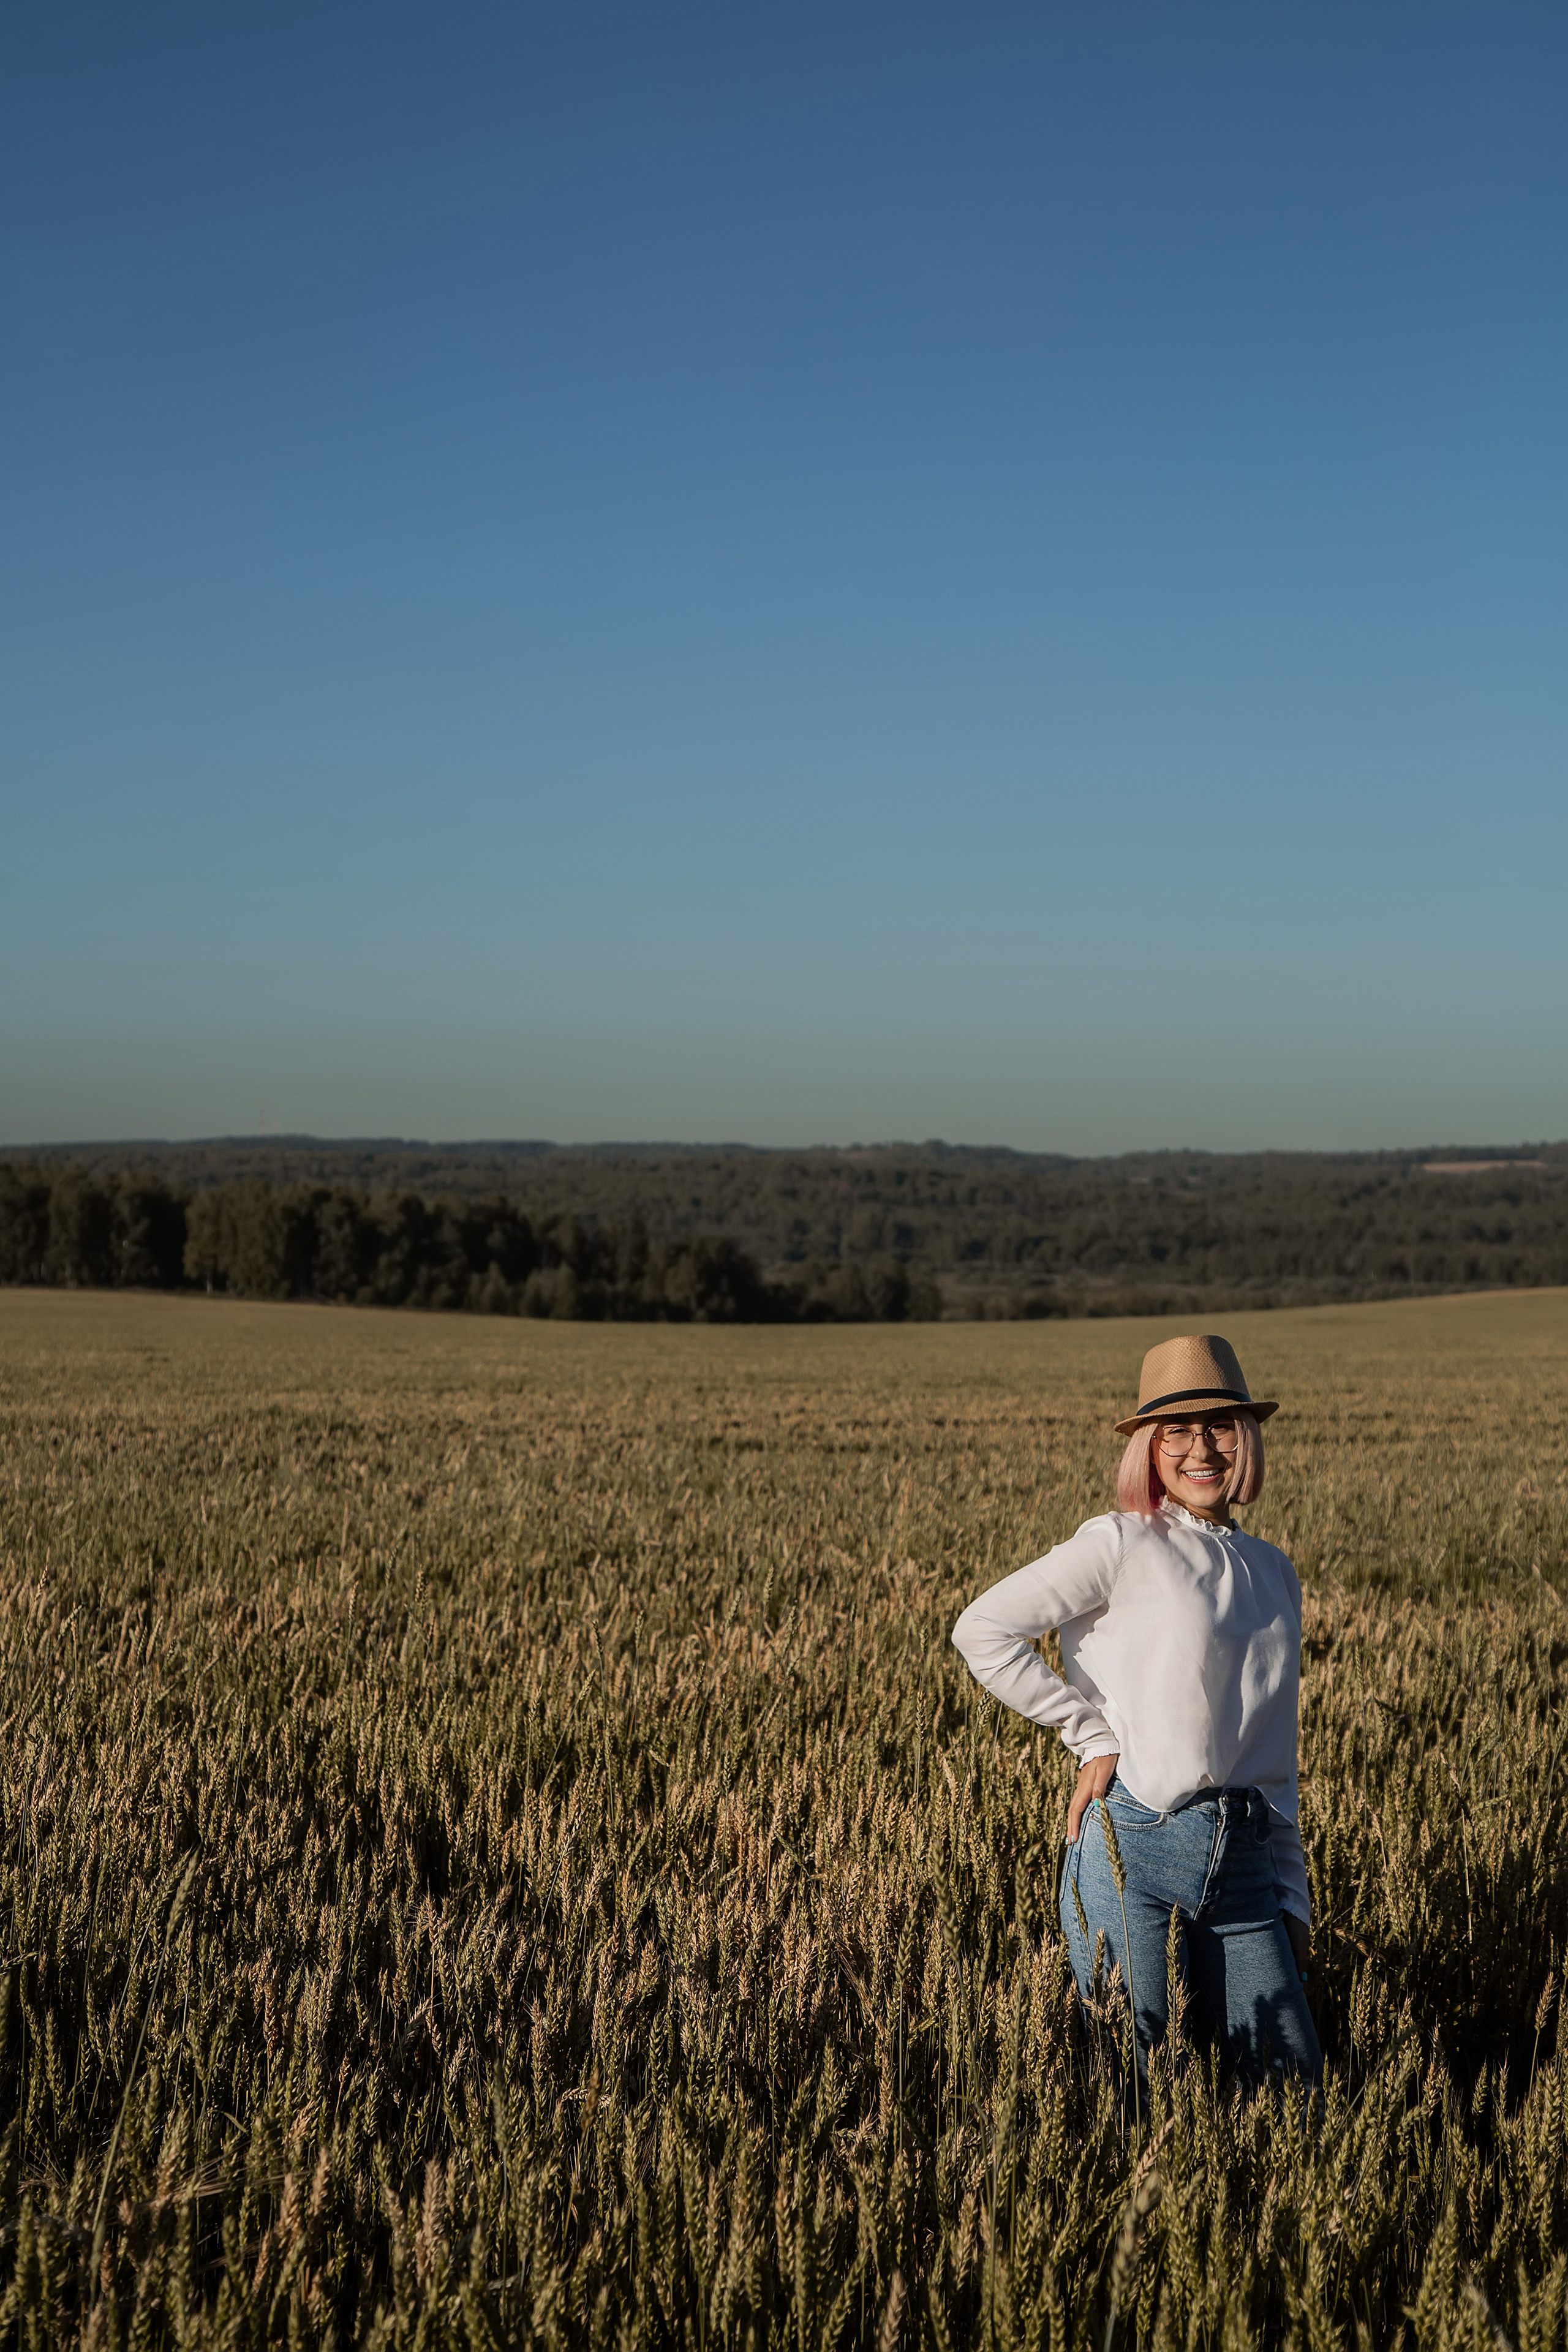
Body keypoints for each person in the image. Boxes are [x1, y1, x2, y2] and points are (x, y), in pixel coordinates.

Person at [951, 1333, 1320, 2087]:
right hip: (1135, 1847)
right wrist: (1088, 1735)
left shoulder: (1274, 1570)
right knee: (1143, 2091)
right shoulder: (1120, 1543)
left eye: (1219, 1426)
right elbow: (981, 1629)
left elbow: (1274, 1745)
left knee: (1292, 2092)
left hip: (1247, 1860)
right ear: (1148, 1449)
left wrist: (1291, 1890)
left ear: (1246, 1437)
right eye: (1176, 1430)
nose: (1201, 1449)